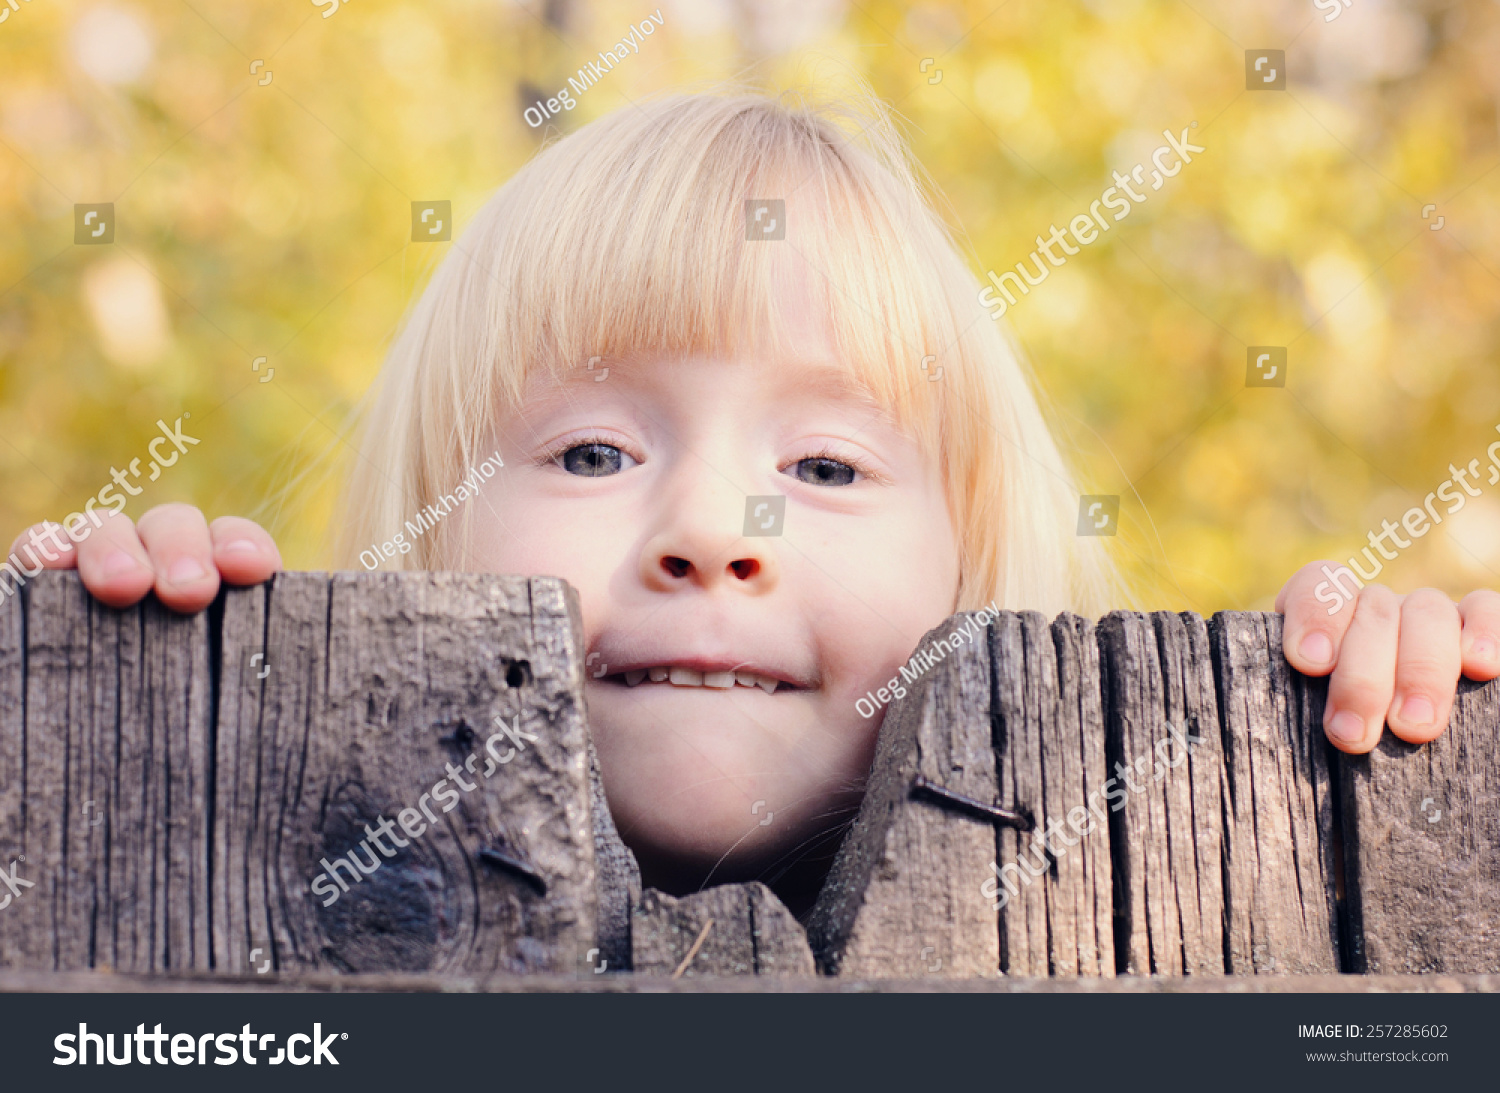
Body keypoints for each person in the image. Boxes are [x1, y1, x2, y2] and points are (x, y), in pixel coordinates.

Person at [11, 88, 1498, 915]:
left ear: (977, 575)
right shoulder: (254, 848)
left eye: (828, 468)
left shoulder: (1159, 885)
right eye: (590, 453)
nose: (713, 529)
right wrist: (108, 681)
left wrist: (1389, 711)